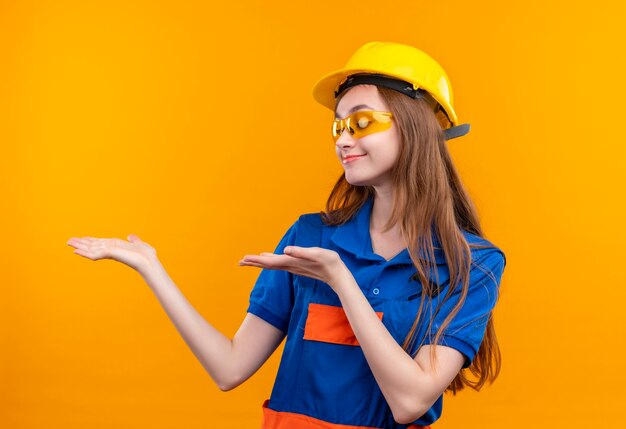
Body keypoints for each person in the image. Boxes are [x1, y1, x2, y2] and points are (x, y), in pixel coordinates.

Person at [67, 41, 506, 429]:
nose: (342, 139)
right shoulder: (311, 234)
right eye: (337, 125)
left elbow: (410, 402)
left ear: (417, 127)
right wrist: (152, 268)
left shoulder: (473, 262)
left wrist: (340, 280)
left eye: (361, 121)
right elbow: (229, 368)